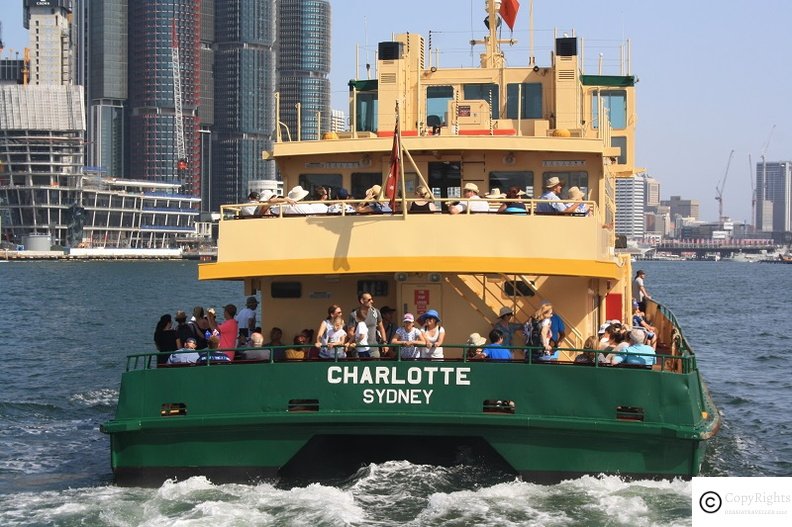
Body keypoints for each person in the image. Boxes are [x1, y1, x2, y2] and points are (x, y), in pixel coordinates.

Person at [348, 292, 387, 358]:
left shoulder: (376, 312)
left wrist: (384, 343)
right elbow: (350, 332)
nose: (372, 301)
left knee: (374, 367)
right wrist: (358, 340)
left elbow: (381, 328)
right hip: (359, 350)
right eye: (369, 300)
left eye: (372, 299)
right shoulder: (354, 314)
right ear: (362, 301)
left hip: (374, 348)